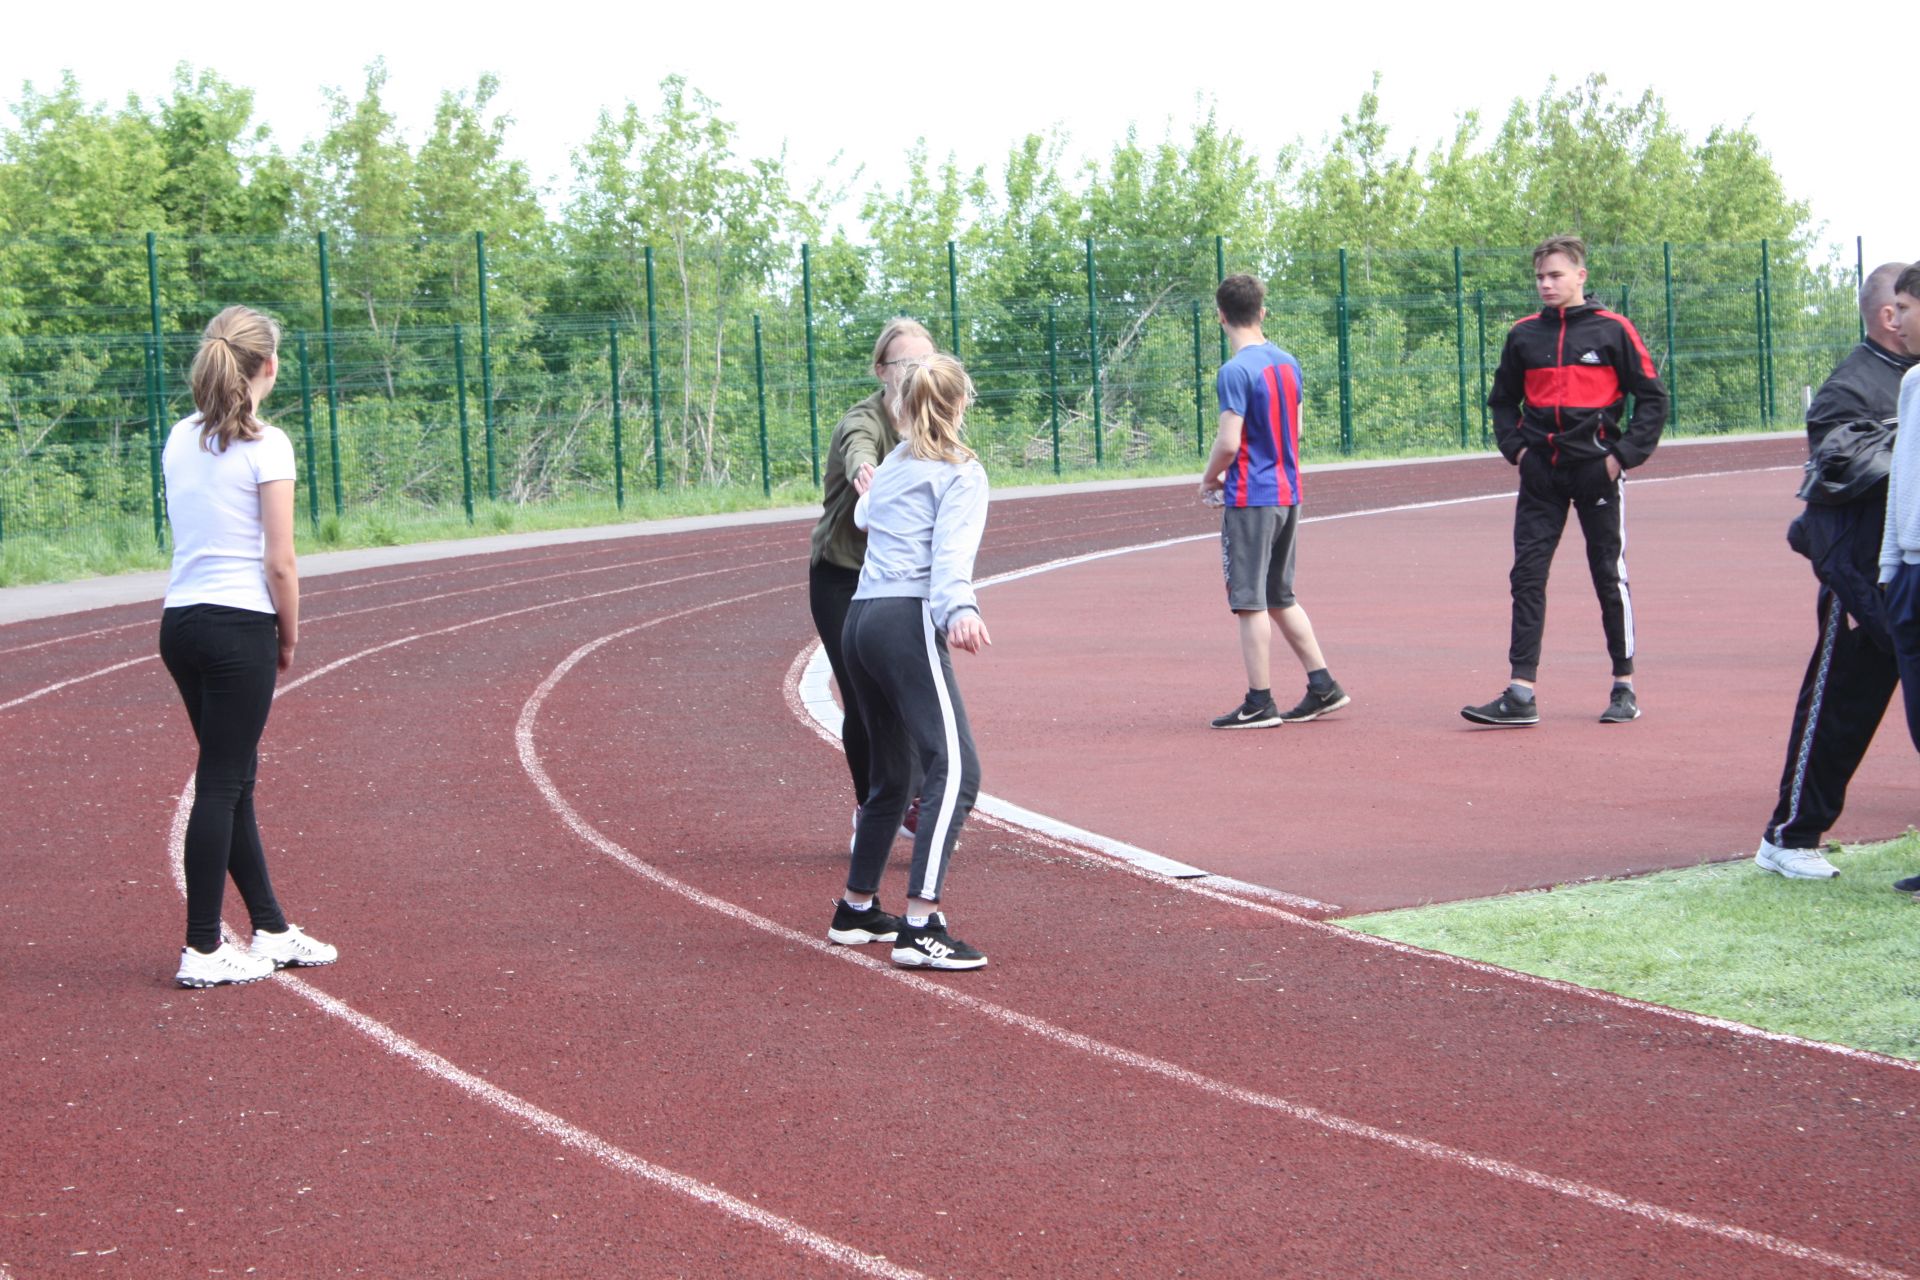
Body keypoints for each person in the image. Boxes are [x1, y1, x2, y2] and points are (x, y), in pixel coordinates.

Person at [162, 305, 337, 988]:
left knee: (233, 780)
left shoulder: (179, 437)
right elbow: (281, 561)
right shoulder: (270, 445)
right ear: (268, 365)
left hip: (181, 622)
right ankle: (203, 948)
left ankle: (269, 927)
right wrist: (287, 634)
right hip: (239, 627)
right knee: (224, 781)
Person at [827, 354, 992, 970]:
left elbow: (865, 516)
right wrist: (959, 611)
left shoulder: (895, 463)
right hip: (905, 618)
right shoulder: (960, 470)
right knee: (956, 768)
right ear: (959, 404)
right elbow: (951, 555)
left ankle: (857, 907)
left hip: (861, 621)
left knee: (893, 775)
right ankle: (921, 923)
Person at [1463, 235, 1668, 727]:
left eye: (1555, 275)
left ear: (1581, 276)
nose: (1545, 285)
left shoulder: (1613, 330)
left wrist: (1619, 459)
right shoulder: (1523, 335)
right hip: (1541, 475)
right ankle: (1520, 693)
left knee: (1607, 574)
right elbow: (1502, 400)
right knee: (1527, 576)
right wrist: (1517, 450)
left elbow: (1653, 399)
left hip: (1596, 471)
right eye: (1539, 277)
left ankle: (1624, 687)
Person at [1755, 263, 1915, 880]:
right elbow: (1840, 476)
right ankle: (1790, 835)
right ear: (1890, 315)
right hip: (1863, 578)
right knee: (1839, 709)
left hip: (1908, 574)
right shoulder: (1850, 387)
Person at [1200, 273, 1348, 730]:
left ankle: (1259, 701)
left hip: (1251, 496)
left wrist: (1209, 479)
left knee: (1249, 601)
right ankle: (1322, 684)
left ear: (1221, 316)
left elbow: (1229, 441)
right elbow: (1298, 430)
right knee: (1280, 595)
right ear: (1262, 312)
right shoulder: (1288, 362)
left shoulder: (1234, 371)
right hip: (1288, 492)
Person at [808, 318, 932, 845]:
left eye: (925, 362)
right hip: (842, 577)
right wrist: (866, 472)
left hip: (897, 580)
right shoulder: (861, 421)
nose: (914, 372)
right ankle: (871, 808)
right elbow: (859, 447)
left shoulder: (933, 420)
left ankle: (916, 802)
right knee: (862, 695)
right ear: (882, 370)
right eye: (905, 363)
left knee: (909, 692)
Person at [1873, 264, 1920, 897]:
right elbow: (1900, 484)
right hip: (1910, 571)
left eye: (1906, 306)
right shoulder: (1911, 384)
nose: (1896, 317)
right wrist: (1888, 568)